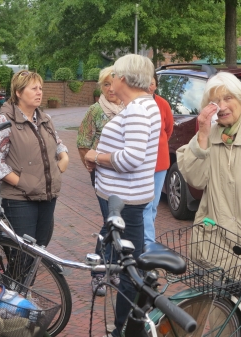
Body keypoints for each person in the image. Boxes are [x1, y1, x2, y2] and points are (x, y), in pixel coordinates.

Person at [177, 72, 241, 337]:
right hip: (216, 246)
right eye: (215, 100)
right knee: (221, 323)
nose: (222, 105)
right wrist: (203, 135)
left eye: (228, 97)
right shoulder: (209, 137)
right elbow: (195, 178)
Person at [84, 54, 160, 337]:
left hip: (125, 200)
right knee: (128, 262)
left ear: (124, 79)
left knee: (130, 268)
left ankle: (124, 328)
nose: (111, 80)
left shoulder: (138, 110)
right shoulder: (139, 106)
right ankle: (125, 325)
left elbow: (131, 159)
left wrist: (97, 156)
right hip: (124, 197)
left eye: (114, 75)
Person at [0, 70, 69, 249]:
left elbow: (58, 144)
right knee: (23, 255)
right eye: (33, 88)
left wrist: (63, 160)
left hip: (47, 195)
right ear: (18, 92)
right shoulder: (3, 121)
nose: (39, 92)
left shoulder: (45, 119)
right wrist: (24, 182)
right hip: (20, 199)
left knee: (40, 250)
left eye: (40, 88)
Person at [77, 66, 124, 296]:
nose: (110, 88)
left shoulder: (128, 109)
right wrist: (91, 165)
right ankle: (98, 273)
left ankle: (113, 268)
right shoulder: (95, 110)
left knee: (119, 222)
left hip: (125, 175)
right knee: (109, 222)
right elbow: (82, 141)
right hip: (104, 174)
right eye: (106, 84)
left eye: (113, 83)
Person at [143, 73, 174, 245]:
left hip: (160, 164)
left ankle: (146, 236)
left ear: (156, 85)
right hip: (141, 164)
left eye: (152, 83)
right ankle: (148, 242)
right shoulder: (135, 105)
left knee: (152, 206)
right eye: (146, 82)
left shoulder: (162, 104)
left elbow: (168, 130)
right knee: (146, 206)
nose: (149, 86)